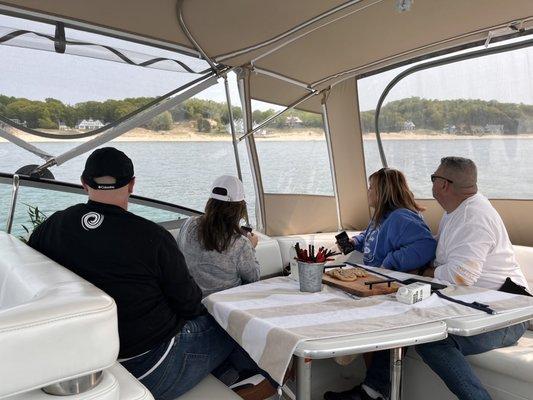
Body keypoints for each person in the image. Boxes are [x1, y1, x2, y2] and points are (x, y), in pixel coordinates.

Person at [27, 147, 261, 400]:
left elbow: (34, 272)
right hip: (151, 364)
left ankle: (225, 374)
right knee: (233, 322)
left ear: (84, 184)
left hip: (89, 356)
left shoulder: (52, 226)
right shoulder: (152, 237)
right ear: (132, 185)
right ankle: (251, 376)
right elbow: (190, 304)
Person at [325, 157, 529, 400]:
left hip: (507, 315)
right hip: (473, 305)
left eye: (433, 177)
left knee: (431, 342)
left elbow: (460, 276)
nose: (431, 181)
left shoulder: (474, 217)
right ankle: (373, 391)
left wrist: (418, 273)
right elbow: (445, 259)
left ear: (443, 184)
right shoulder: (455, 212)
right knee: (398, 314)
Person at [177, 175, 260, 297]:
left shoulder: (188, 224)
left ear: (210, 202)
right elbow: (254, 278)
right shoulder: (240, 243)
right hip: (222, 307)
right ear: (239, 208)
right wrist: (251, 247)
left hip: (189, 303)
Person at [348, 167, 436, 272]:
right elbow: (371, 236)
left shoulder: (400, 218)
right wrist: (355, 242)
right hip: (372, 272)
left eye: (371, 187)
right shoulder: (381, 215)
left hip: (387, 278)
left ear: (383, 192)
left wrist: (391, 261)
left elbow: (427, 245)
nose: (368, 191)